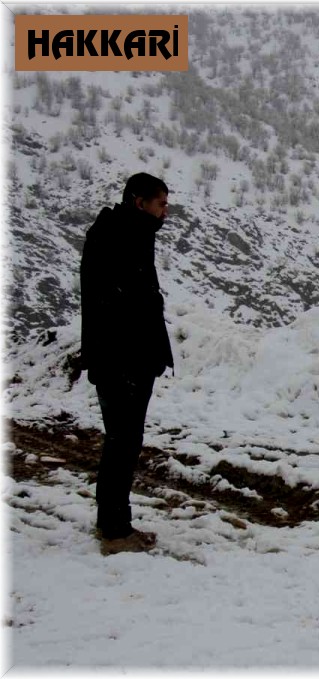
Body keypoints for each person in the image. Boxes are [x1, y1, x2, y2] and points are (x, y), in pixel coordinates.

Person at [80, 172, 174, 555]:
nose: (166, 211)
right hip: (122, 358)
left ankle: (113, 523)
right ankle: (115, 531)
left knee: (123, 441)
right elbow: (120, 303)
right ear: (140, 202)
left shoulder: (125, 231)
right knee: (122, 442)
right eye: (161, 204)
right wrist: (138, 352)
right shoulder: (122, 235)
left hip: (125, 356)